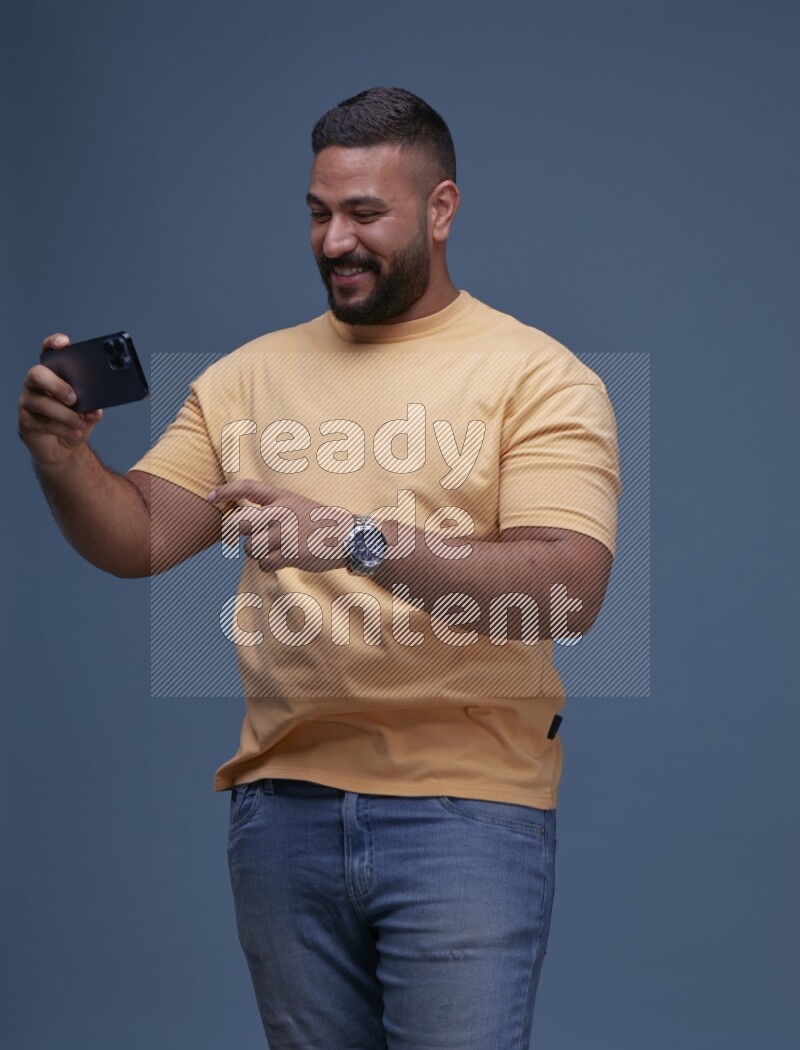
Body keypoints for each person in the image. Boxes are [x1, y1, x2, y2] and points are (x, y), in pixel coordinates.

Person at [18, 87, 621, 1050]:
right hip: (280, 816)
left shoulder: (538, 376)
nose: (335, 240)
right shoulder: (247, 376)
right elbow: (137, 536)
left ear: (441, 209)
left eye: (366, 214)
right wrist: (62, 458)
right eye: (318, 211)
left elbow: (567, 592)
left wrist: (355, 542)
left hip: (465, 812)